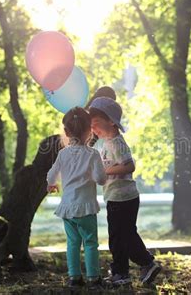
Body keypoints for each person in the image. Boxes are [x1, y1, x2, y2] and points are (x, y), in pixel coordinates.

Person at [89, 96, 162, 286]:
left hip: (123, 198)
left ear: (111, 123)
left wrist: (105, 171)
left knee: (124, 235)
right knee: (119, 236)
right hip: (115, 197)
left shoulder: (116, 143)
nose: (93, 129)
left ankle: (146, 263)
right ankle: (121, 273)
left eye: (96, 123)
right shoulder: (106, 142)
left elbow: (130, 166)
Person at [46, 107, 106, 289]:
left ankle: (74, 277)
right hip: (86, 207)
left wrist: (52, 184)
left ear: (65, 131)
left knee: (72, 243)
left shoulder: (62, 154)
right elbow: (101, 179)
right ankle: (94, 278)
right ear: (90, 131)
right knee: (90, 243)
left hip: (68, 208)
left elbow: (51, 175)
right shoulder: (93, 154)